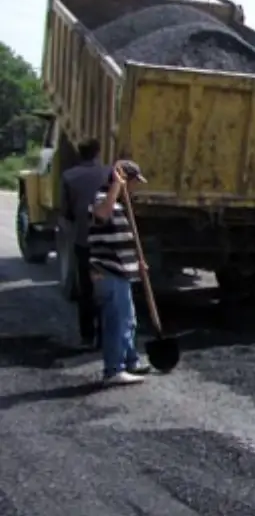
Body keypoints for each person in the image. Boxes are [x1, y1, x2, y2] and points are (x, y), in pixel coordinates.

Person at [89, 160, 151, 386]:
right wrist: (116, 186)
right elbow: (102, 214)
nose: (134, 187)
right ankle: (114, 369)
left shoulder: (120, 205)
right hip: (107, 272)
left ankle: (129, 361)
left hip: (121, 272)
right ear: (124, 179)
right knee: (117, 321)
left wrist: (137, 263)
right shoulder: (102, 199)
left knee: (129, 320)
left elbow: (120, 241)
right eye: (133, 182)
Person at [60, 139, 110, 349]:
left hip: (84, 240)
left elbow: (67, 212)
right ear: (98, 152)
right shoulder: (109, 173)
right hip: (107, 242)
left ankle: (88, 336)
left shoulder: (69, 177)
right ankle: (107, 334)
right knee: (108, 288)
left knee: (86, 290)